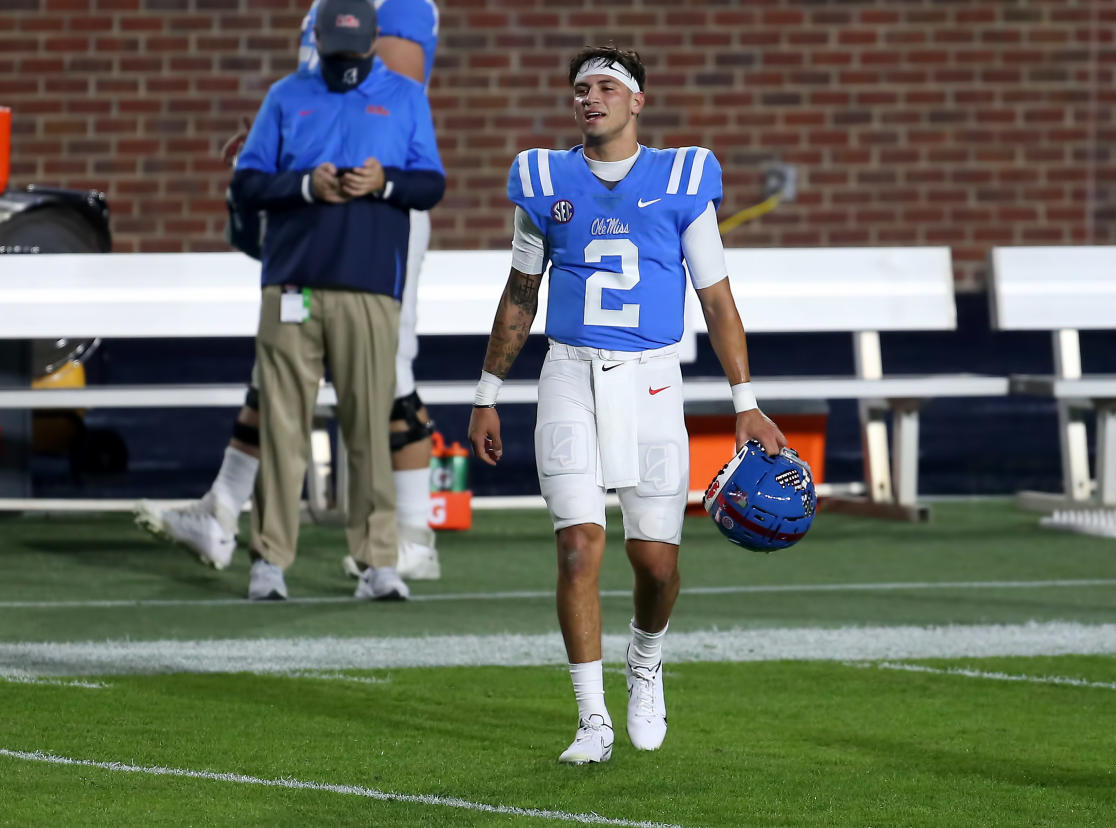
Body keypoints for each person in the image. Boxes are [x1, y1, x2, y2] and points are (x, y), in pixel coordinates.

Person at [466, 46, 785, 764]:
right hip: (570, 374)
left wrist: (746, 402)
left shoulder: (681, 179)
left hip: (651, 378)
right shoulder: (545, 181)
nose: (591, 97)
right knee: (579, 546)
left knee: (655, 562)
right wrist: (488, 393)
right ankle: (591, 719)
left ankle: (646, 661)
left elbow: (716, 298)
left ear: (637, 101)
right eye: (581, 88)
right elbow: (521, 294)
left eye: (607, 86)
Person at [135, 0, 445, 582]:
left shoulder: (393, 9)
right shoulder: (319, 30)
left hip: (372, 227)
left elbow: (381, 106)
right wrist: (288, 161)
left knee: (386, 385)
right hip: (306, 239)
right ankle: (225, 509)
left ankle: (408, 535)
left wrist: (327, 166)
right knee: (275, 386)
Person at [230, 0, 445, 600]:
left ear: (373, 43)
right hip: (292, 283)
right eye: (335, 50)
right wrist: (305, 184)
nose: (343, 61)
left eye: (353, 50)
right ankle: (268, 562)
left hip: (371, 286)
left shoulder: (404, 97)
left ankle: (379, 564)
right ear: (317, 42)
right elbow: (246, 184)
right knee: (282, 425)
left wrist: (384, 182)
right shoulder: (285, 96)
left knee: (368, 427)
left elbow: (431, 183)